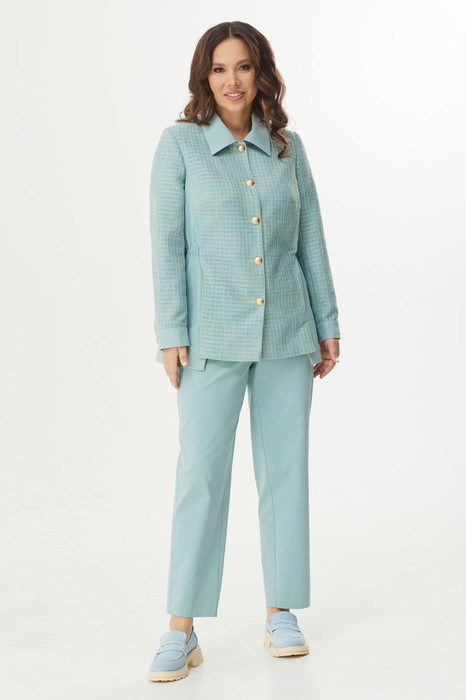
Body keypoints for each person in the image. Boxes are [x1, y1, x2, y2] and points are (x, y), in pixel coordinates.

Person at [147, 20, 341, 682]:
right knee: (200, 476)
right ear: (205, 77)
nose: (232, 80)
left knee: (285, 473)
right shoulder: (179, 145)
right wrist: (171, 332)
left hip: (288, 332)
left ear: (262, 74)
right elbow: (166, 245)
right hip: (210, 338)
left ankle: (280, 611)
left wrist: (327, 321)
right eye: (219, 68)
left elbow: (310, 239)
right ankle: (181, 629)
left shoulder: (288, 147)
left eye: (244, 67)